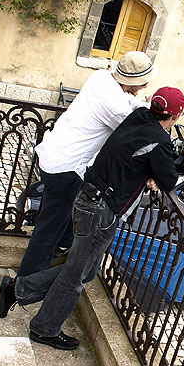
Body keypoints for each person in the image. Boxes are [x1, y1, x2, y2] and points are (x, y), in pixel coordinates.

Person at [0, 87, 184, 349]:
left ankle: (18, 290)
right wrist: (153, 175)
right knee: (75, 277)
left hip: (88, 197)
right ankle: (44, 328)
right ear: (175, 116)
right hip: (102, 211)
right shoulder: (160, 141)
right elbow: (169, 179)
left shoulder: (138, 116)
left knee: (85, 271)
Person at [15, 51, 153, 278]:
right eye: (142, 82)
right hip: (66, 169)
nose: (145, 86)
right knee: (48, 229)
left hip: (53, 156)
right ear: (136, 82)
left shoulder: (101, 78)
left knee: (70, 210)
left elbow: (130, 102)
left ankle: (61, 248)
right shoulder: (114, 108)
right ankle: (25, 283)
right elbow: (135, 133)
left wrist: (144, 107)